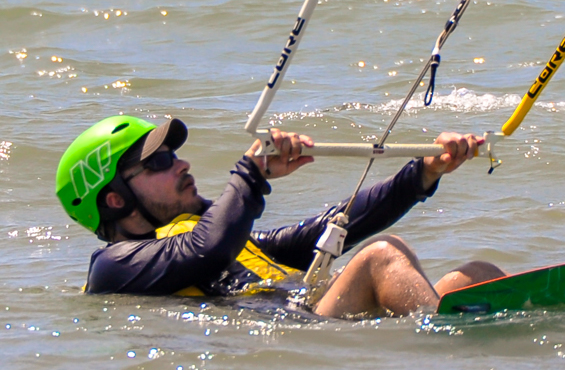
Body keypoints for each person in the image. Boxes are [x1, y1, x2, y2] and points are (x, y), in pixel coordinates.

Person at [55, 114, 503, 316]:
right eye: (157, 162)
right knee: (382, 257)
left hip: (320, 313)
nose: (181, 164)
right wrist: (251, 173)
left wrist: (423, 173)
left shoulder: (208, 237)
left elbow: (332, 228)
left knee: (474, 276)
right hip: (306, 335)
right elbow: (207, 250)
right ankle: (450, 348)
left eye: (174, 154)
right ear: (115, 199)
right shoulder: (115, 268)